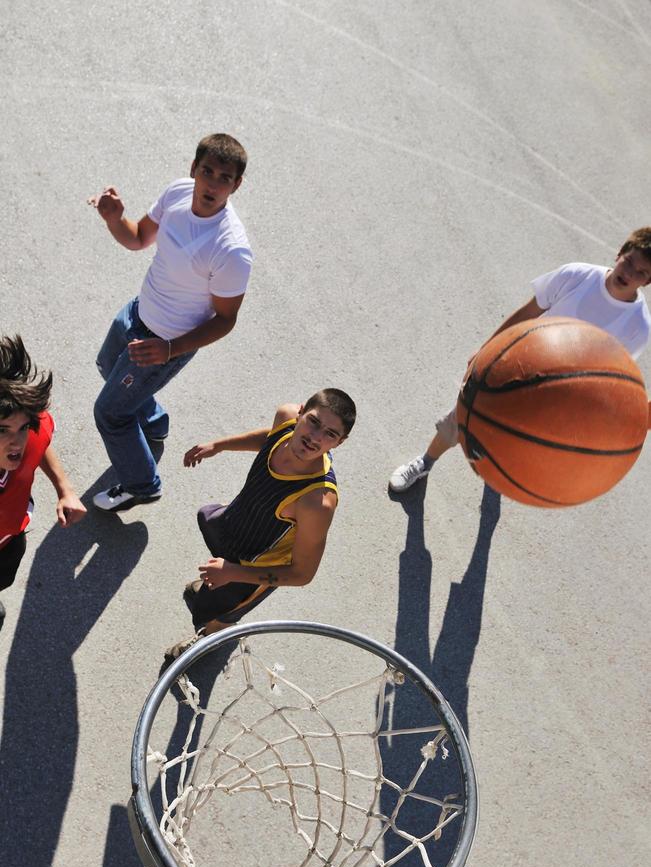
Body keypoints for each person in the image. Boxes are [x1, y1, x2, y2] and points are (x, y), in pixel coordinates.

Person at [389, 227, 651, 492]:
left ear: (647, 281)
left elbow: (613, 376)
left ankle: (500, 472)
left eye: (641, 272)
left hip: (559, 397)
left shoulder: (638, 326)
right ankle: (425, 463)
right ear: (619, 253)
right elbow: (529, 312)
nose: (629, 273)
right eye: (629, 261)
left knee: (514, 445)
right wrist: (487, 350)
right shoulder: (577, 275)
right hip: (516, 365)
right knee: (458, 419)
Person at [88, 133, 252, 511]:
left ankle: (141, 484)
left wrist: (169, 350)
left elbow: (226, 320)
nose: (212, 183)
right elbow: (139, 237)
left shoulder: (231, 249)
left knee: (110, 413)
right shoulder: (178, 192)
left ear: (236, 185)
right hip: (138, 312)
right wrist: (115, 220)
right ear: (193, 169)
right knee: (105, 364)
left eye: (224, 177)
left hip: (164, 344)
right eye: (207, 170)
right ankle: (154, 421)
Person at [166, 388, 356, 658]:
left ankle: (205, 642)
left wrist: (232, 573)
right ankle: (212, 589)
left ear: (340, 442)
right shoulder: (286, 417)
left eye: (330, 434)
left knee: (226, 611)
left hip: (254, 567)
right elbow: (271, 437)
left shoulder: (316, 502)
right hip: (234, 525)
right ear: (300, 411)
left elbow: (302, 574)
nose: (315, 438)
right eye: (314, 422)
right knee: (214, 578)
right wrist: (219, 446)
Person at [0, 336, 86, 629]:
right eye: (3, 431)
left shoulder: (31, 435)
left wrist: (65, 489)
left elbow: (40, 441)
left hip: (9, 542)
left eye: (22, 427)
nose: (17, 443)